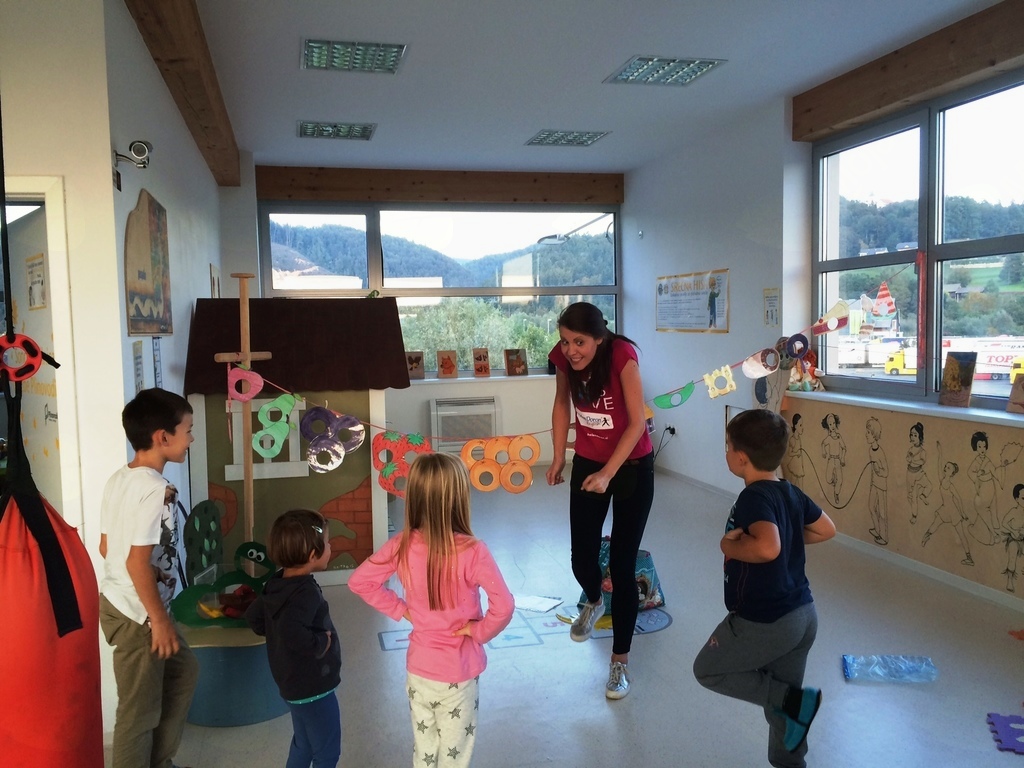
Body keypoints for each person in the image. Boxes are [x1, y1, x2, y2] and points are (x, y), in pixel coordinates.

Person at [349, 453, 513, 767]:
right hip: (458, 674)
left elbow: (360, 582)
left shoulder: (401, 544)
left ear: (414, 497)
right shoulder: (474, 551)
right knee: (455, 755)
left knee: (424, 750)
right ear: (459, 497)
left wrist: (402, 609)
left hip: (419, 672)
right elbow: (503, 607)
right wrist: (477, 631)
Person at [693, 409, 836, 768]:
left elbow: (767, 548)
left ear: (741, 458)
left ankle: (791, 702)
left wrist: (728, 546)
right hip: (803, 615)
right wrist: (788, 539)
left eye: (728, 446)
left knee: (707, 669)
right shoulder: (790, 491)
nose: (726, 452)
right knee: (784, 712)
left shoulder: (753, 497)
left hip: (766, 621)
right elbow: (826, 529)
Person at [545, 301, 655, 699]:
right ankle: (594, 601)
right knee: (581, 558)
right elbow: (562, 403)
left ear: (599, 338)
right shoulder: (563, 359)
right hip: (588, 461)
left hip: (631, 465)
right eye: (565, 341)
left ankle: (619, 663)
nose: (571, 350)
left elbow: (637, 421)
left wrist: (609, 472)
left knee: (623, 567)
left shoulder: (622, 356)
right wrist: (558, 455)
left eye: (580, 342)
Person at [98, 387, 200, 768]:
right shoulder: (158, 491)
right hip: (139, 615)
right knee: (138, 713)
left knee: (183, 672)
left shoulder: (119, 478)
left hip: (126, 603)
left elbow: (107, 547)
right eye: (188, 430)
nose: (191, 438)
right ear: (163, 438)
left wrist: (153, 576)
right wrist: (157, 620)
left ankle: (158, 761)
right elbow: (134, 563)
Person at [245, 509, 342, 768]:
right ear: (312, 555)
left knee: (304, 744)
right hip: (314, 687)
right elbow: (292, 632)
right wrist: (321, 643)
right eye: (327, 543)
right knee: (327, 752)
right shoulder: (305, 592)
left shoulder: (275, 583)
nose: (330, 547)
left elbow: (254, 616)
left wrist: (275, 634)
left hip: (292, 687)